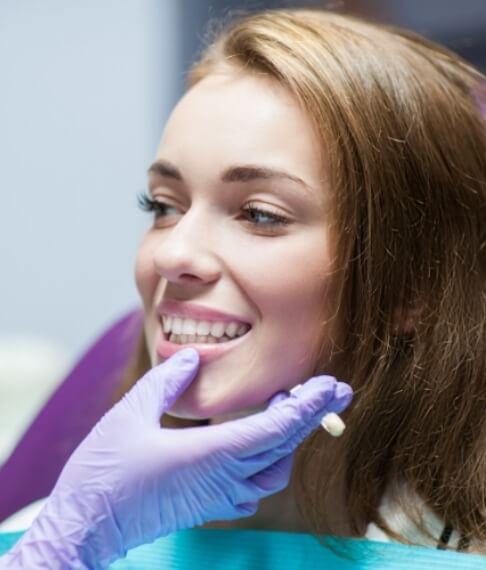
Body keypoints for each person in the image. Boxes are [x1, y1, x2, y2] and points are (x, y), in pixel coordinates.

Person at [1, 6, 486, 569]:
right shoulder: (56, 535)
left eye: (259, 214)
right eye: (163, 206)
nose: (172, 253)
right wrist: (68, 543)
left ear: (413, 288)